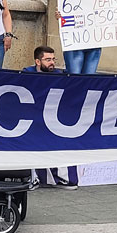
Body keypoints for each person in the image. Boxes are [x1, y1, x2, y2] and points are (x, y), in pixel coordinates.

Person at [23, 46, 77, 189]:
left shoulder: (60, 75)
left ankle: (64, 178)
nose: (52, 62)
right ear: (37, 62)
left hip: (54, 118)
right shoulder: (26, 74)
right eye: (48, 60)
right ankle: (32, 178)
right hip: (32, 118)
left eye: (53, 59)